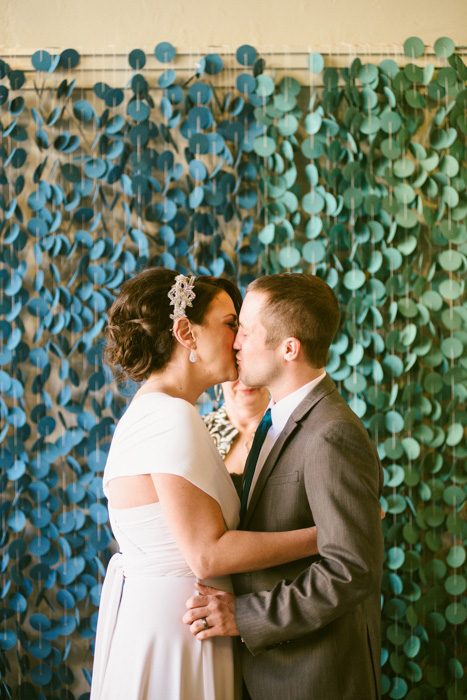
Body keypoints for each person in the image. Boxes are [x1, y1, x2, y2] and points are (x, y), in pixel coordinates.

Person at [90, 268, 319, 700]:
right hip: (181, 630)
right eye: (231, 324)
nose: (238, 340)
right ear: (185, 332)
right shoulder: (170, 418)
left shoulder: (151, 411)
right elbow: (207, 554)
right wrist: (324, 537)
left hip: (170, 620)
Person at [184, 273, 384, 700]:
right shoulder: (276, 421)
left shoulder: (331, 433)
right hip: (266, 673)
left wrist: (245, 616)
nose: (235, 342)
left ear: (289, 348)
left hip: (314, 676)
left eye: (247, 331)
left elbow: (352, 569)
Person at [202, 380, 270, 494]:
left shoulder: (289, 427)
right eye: (236, 368)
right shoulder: (198, 429)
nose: (245, 380)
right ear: (220, 380)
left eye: (253, 367)